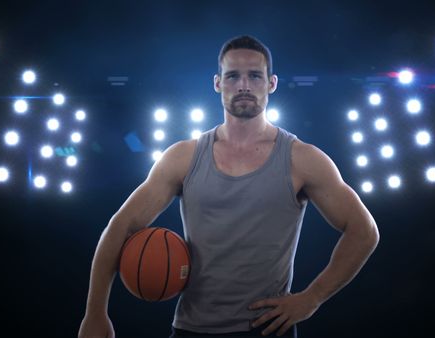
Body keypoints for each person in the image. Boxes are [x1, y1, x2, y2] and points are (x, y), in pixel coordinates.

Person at [78, 35, 379, 338]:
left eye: (255, 76)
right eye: (233, 76)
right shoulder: (183, 157)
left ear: (271, 83)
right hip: (190, 329)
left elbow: (364, 231)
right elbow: (121, 225)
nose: (244, 85)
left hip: (267, 329)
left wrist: (312, 298)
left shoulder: (301, 159)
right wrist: (95, 313)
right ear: (218, 83)